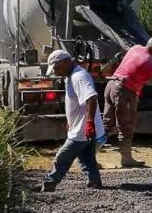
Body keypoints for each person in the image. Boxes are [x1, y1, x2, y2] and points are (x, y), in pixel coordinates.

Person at [103, 35, 152, 167]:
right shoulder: (151, 63)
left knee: (107, 125)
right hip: (124, 91)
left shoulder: (136, 48)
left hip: (111, 85)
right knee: (125, 126)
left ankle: (90, 156)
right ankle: (127, 160)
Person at [41, 50, 104, 192]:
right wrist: (71, 120)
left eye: (57, 68)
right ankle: (95, 183)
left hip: (82, 130)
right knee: (86, 158)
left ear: (66, 62)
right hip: (82, 128)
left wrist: (89, 123)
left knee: (62, 158)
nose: (56, 72)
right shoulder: (70, 75)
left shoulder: (78, 77)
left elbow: (91, 99)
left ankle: (49, 185)